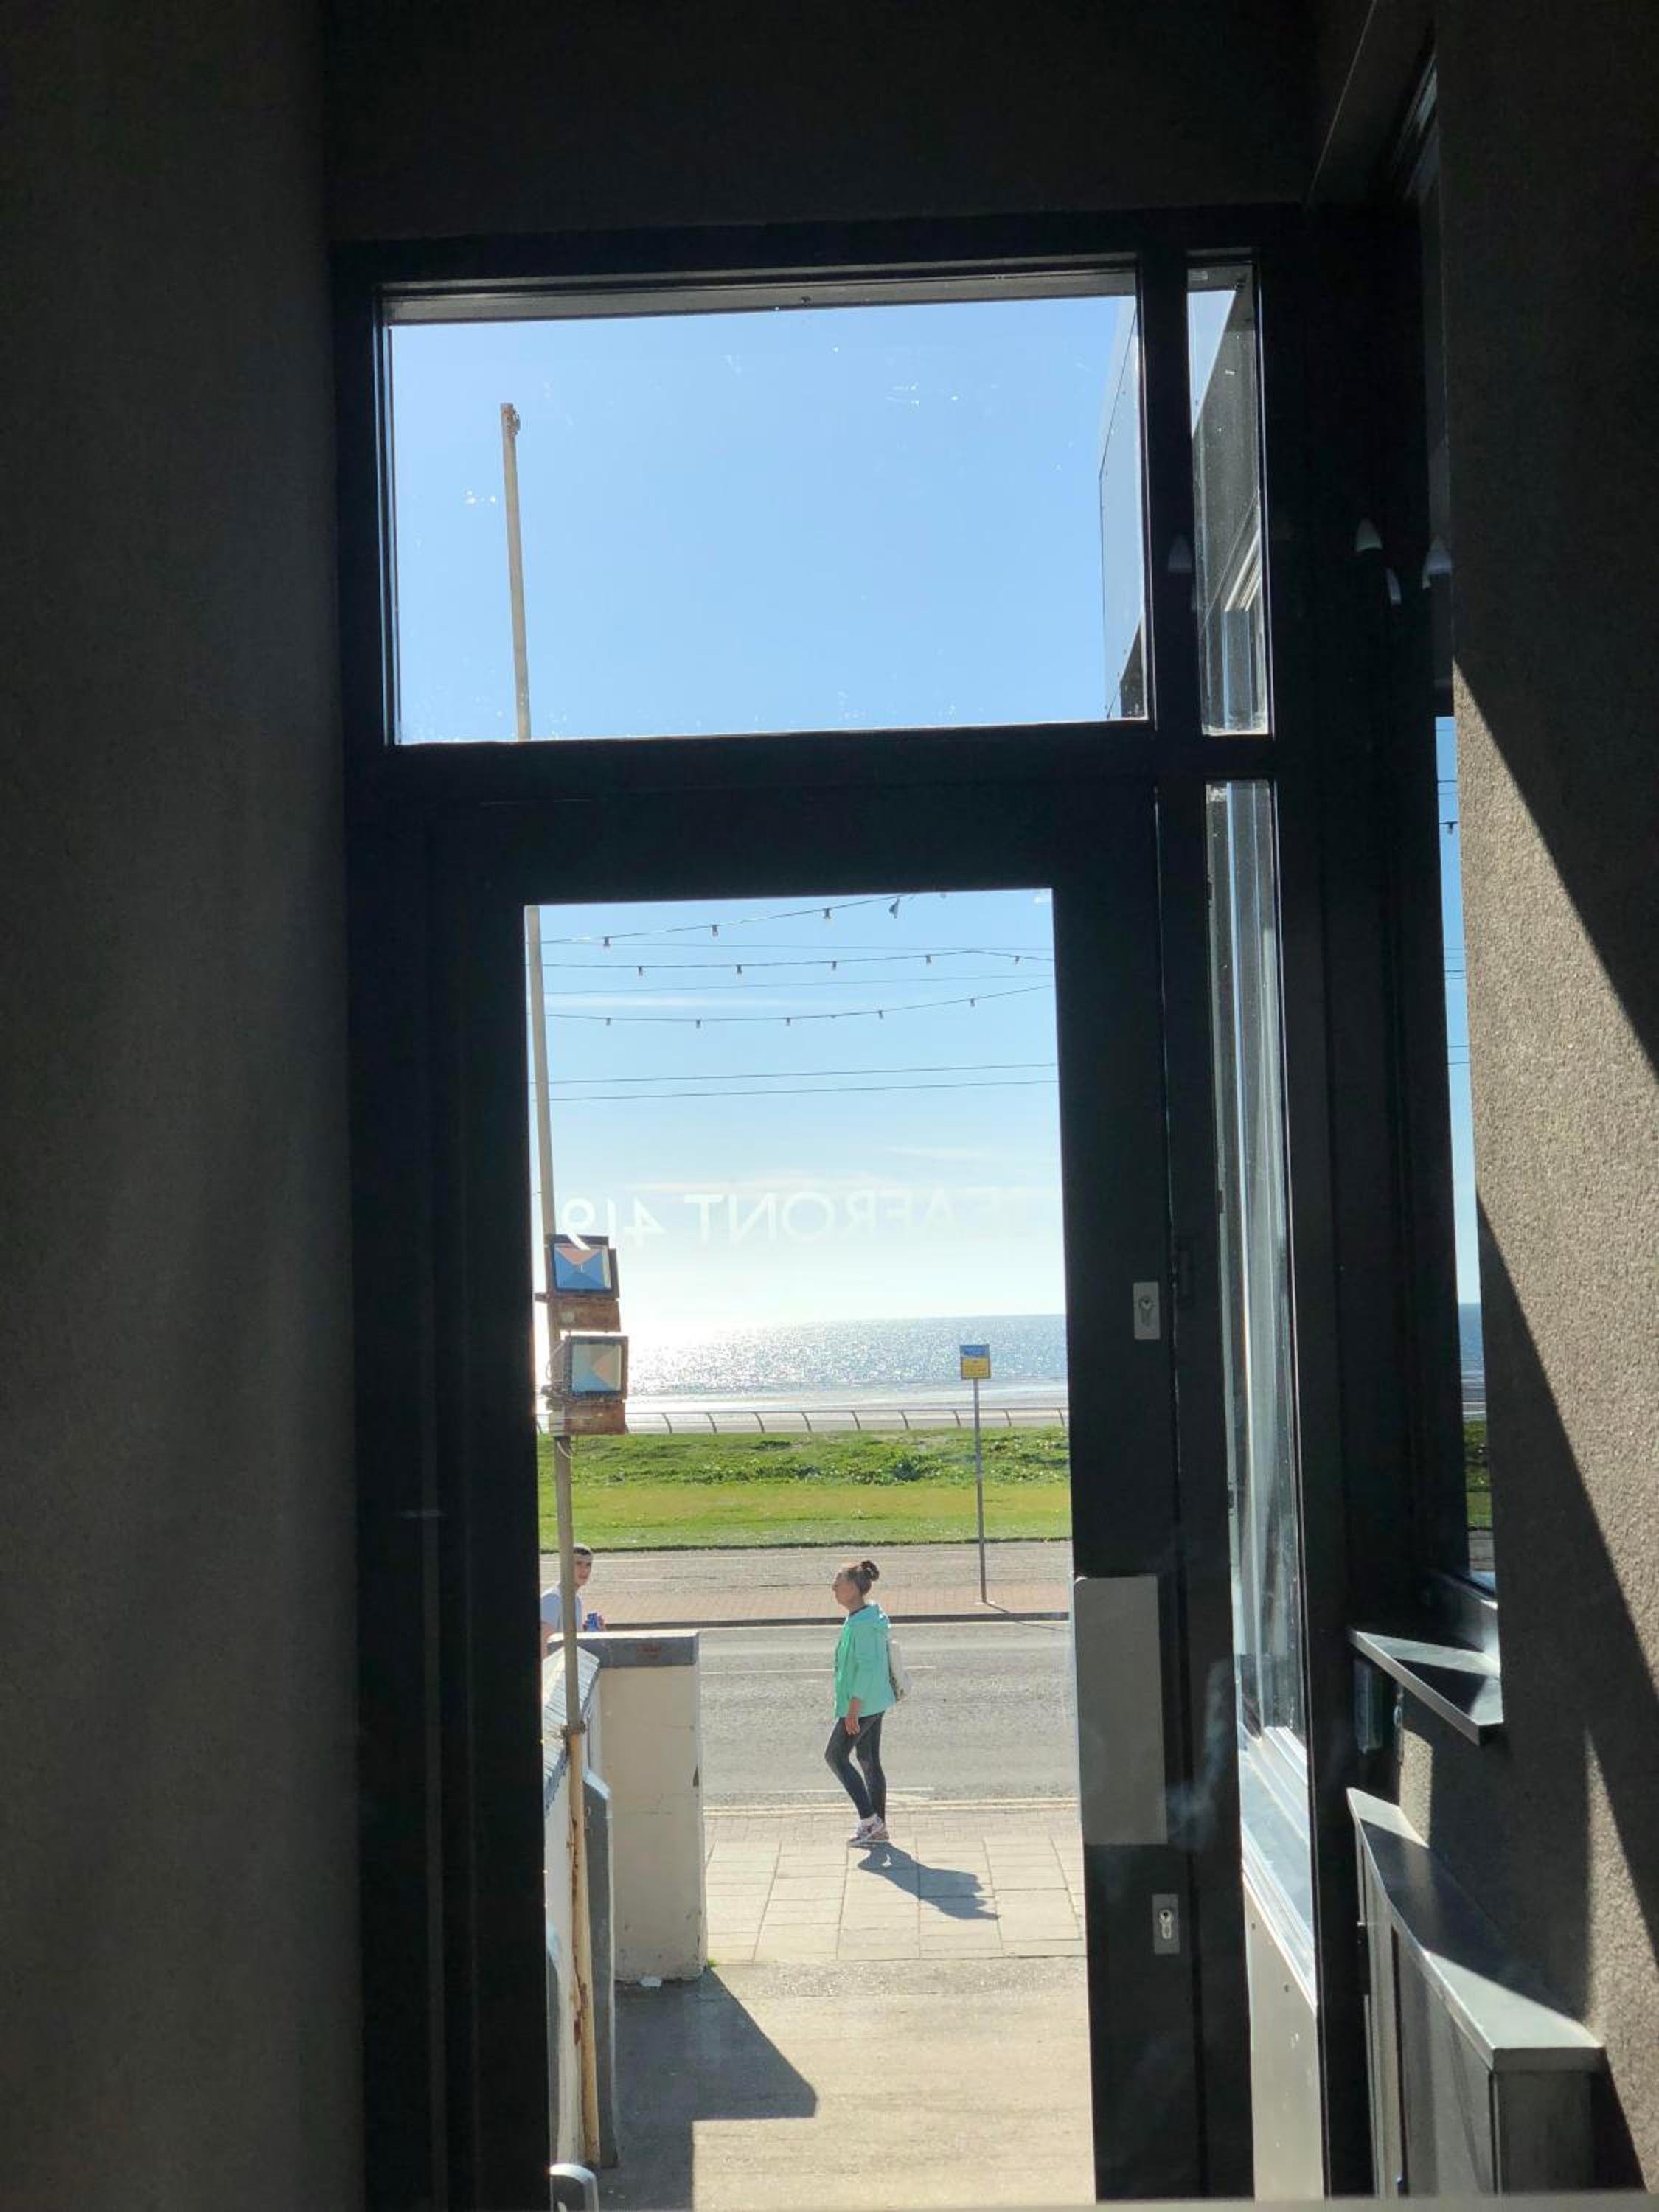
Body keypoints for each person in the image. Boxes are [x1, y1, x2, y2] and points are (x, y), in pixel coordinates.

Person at [825, 1557, 894, 1846]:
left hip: (863, 1704)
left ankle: (869, 1820)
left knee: (835, 1757)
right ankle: (878, 1828)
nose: (833, 1587)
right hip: (875, 1700)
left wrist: (853, 1710)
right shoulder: (864, 1617)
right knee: (868, 1761)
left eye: (838, 1581)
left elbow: (866, 1667)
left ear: (853, 1588)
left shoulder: (863, 1625)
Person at [540, 1543, 604, 1658]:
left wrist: (594, 1635)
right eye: (578, 1564)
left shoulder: (576, 1600)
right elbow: (544, 1649)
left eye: (588, 1565)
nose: (584, 1570)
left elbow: (576, 1647)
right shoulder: (552, 1600)